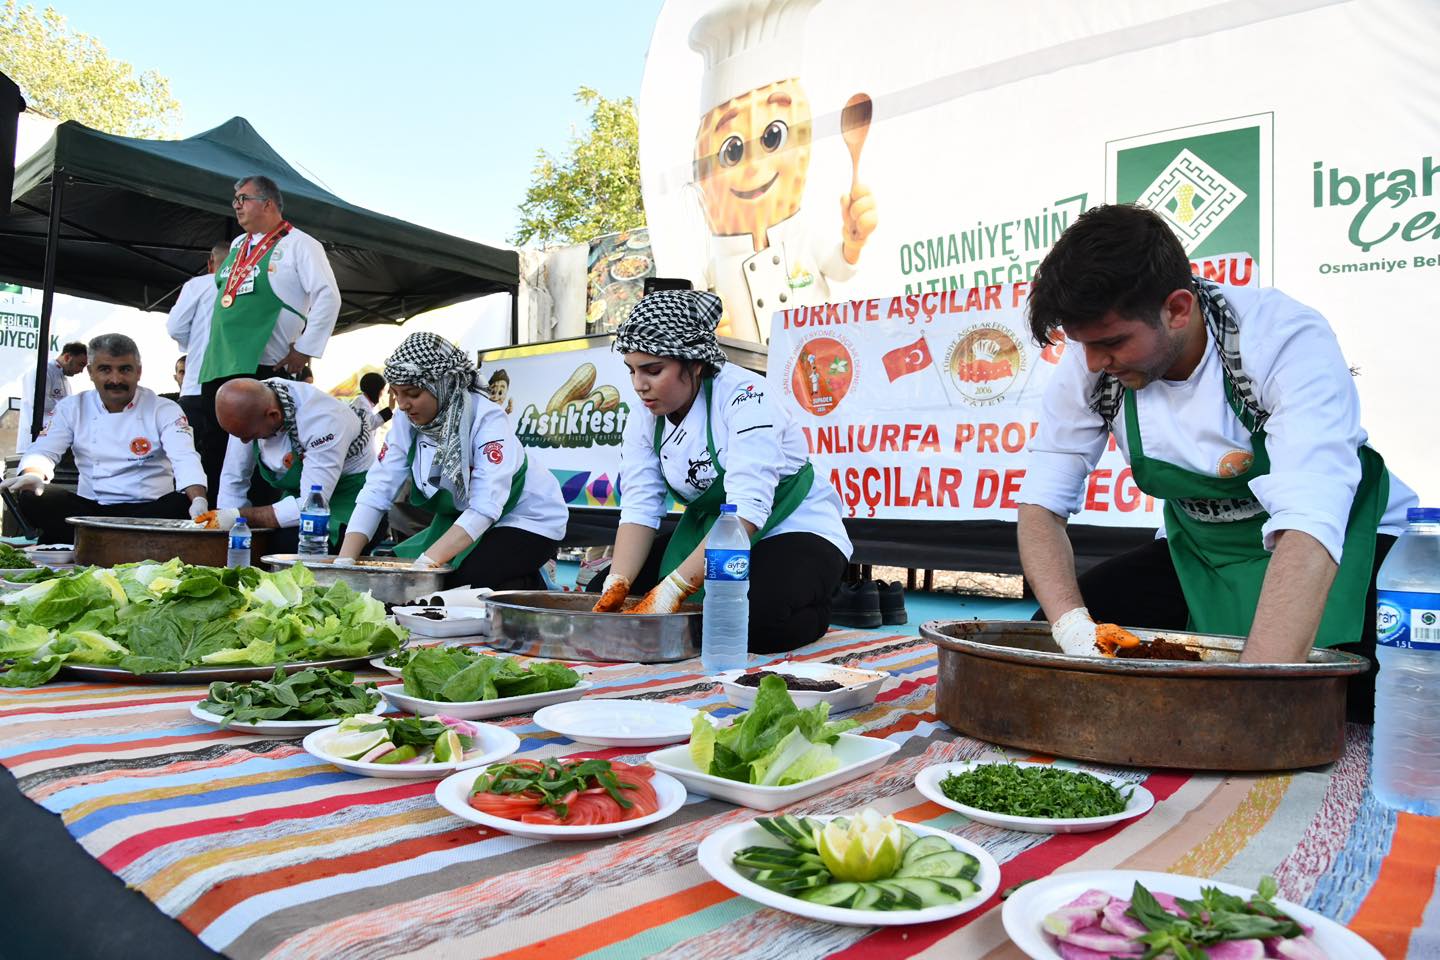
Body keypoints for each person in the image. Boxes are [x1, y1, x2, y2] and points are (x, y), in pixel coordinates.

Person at [1015, 204, 1417, 722]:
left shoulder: (1282, 338)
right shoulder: (1092, 363)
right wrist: (1073, 631)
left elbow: (1310, 522)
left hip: (1341, 542)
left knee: (1364, 695)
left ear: (1177, 309)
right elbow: (1041, 507)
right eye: (1084, 345)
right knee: (1059, 651)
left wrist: (1244, 708)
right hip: (1203, 554)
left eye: (1112, 342)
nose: (1094, 363)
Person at [589, 290, 851, 652]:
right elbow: (640, 506)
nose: (639, 385)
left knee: (754, 623)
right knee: (600, 595)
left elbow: (747, 512)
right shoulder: (644, 415)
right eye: (632, 370)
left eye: (653, 370)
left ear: (694, 364)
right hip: (713, 529)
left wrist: (676, 589)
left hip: (790, 528)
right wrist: (617, 583)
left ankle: (823, 600)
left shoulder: (748, 398)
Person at [337, 332, 567, 589]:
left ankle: (532, 581)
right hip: (462, 520)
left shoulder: (487, 418)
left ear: (443, 384)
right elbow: (378, 488)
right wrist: (344, 563)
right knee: (393, 578)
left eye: (412, 393)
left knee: (459, 583)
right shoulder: (406, 419)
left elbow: (485, 506)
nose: (402, 405)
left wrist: (424, 567)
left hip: (525, 519)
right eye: (396, 394)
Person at [192, 176, 341, 495]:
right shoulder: (236, 246)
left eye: (243, 199)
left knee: (262, 452)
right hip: (220, 361)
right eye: (234, 200)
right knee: (214, 449)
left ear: (268, 203)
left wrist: (305, 349)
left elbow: (328, 295)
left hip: (265, 365)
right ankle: (214, 522)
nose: (236, 207)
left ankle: (258, 529)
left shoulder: (301, 244)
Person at [1, 334, 207, 543]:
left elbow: (185, 456)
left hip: (149, 512)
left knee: (182, 503)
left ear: (139, 371)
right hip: (90, 512)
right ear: (90, 372)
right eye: (105, 369)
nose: (115, 379)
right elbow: (44, 450)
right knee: (34, 497)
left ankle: (94, 541)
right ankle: (115, 540)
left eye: (125, 369)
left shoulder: (164, 408)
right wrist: (34, 474)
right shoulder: (72, 407)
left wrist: (198, 499)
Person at [206, 378, 376, 553]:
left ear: (273, 415)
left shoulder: (323, 422)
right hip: (299, 497)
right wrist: (226, 527)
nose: (244, 441)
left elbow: (311, 505)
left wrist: (239, 516)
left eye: (251, 435)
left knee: (285, 546)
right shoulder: (244, 407)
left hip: (348, 501)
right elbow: (234, 479)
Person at [167, 240, 232, 489]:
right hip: (235, 391)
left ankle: (189, 515)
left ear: (210, 264)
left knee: (188, 460)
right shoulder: (254, 287)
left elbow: (175, 327)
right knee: (228, 465)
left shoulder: (200, 284)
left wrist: (192, 345)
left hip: (196, 385)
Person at [16, 341, 86, 453]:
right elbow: (38, 402)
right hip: (34, 441)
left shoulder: (63, 379)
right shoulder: (42, 371)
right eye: (80, 364)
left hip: (52, 442)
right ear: (67, 357)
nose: (81, 371)